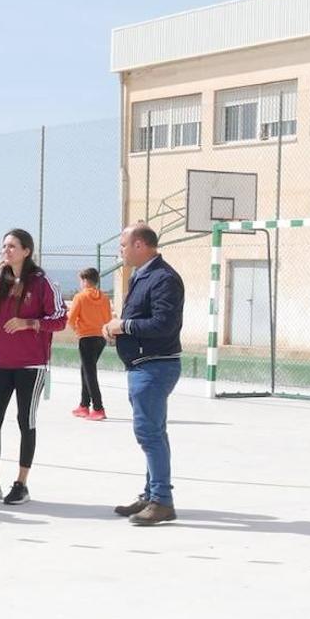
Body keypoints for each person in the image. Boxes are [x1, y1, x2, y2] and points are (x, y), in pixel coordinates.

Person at [0, 229, 67, 505]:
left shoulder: (42, 282)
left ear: (26, 251)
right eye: (4, 246)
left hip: (31, 366)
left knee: (26, 422)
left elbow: (60, 319)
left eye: (12, 246)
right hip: (1, 364)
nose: (6, 251)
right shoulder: (2, 282)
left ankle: (21, 484)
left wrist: (29, 323)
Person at [102, 224, 185, 526]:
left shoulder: (164, 278)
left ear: (139, 245)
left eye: (123, 245)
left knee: (149, 434)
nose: (120, 251)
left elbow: (164, 324)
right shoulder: (142, 275)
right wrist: (117, 329)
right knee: (154, 433)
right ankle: (152, 494)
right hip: (142, 364)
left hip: (155, 366)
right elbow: (139, 318)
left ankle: (162, 501)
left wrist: (124, 326)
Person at [68, 267, 113, 421]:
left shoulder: (79, 297)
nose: (80, 283)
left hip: (86, 338)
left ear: (85, 280)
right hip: (101, 337)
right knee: (86, 370)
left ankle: (98, 408)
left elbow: (71, 319)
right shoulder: (105, 298)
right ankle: (84, 405)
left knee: (90, 373)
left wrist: (77, 330)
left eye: (81, 280)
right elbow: (108, 319)